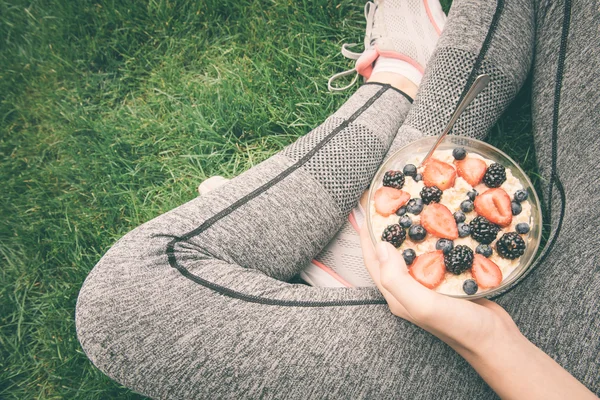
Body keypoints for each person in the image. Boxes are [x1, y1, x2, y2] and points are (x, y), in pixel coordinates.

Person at [75, 0, 600, 398]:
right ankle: (385, 185)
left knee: (127, 302)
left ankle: (397, 82)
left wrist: (488, 339)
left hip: (548, 350)